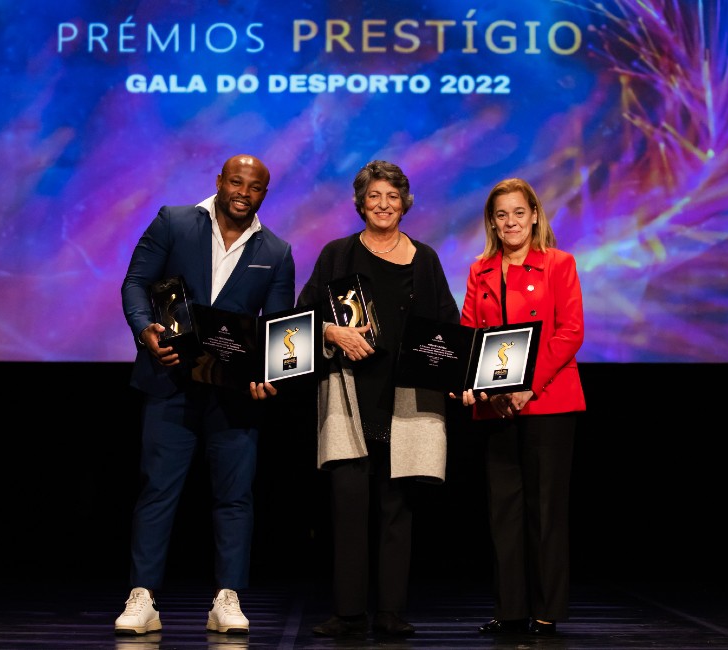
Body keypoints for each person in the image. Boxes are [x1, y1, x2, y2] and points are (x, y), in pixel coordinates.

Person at [116, 154, 295, 636]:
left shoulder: (276, 251)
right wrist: (144, 330)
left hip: (232, 394)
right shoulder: (173, 221)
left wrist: (270, 371)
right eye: (235, 181)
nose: (243, 192)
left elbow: (278, 329)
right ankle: (143, 598)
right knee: (157, 491)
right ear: (219, 181)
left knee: (235, 498)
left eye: (254, 187)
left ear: (264, 193)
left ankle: (227, 597)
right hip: (169, 382)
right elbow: (135, 283)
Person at [296, 160, 459, 637]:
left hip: (406, 399)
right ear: (360, 204)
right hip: (349, 397)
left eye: (392, 197)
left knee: (397, 509)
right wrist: (332, 331)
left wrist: (458, 369)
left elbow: (446, 322)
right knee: (347, 508)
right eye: (374, 197)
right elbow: (302, 315)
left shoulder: (424, 258)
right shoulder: (337, 255)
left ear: (405, 204)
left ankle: (389, 612)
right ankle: (348, 613)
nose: (383, 205)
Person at [454, 177, 586, 637]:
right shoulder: (480, 269)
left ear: (534, 215)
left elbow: (570, 332)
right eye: (501, 214)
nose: (510, 222)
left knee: (546, 510)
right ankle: (510, 609)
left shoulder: (559, 264)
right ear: (492, 221)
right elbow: (469, 334)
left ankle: (546, 610)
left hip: (549, 402)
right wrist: (470, 384)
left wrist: (530, 384)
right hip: (496, 408)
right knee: (503, 510)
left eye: (518, 212)